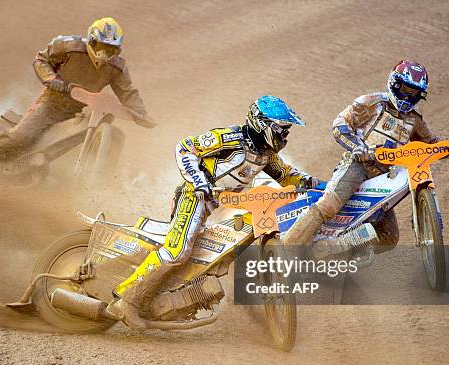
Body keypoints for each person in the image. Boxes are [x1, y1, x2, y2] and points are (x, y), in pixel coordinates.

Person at [108, 95, 318, 329]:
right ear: (262, 124)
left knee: (216, 254)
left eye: (286, 130)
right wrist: (198, 182)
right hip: (193, 197)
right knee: (177, 252)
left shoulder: (267, 155)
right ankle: (127, 300)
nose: (284, 135)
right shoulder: (230, 138)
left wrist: (320, 185)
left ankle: (173, 294)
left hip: (216, 205)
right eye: (281, 129)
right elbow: (185, 147)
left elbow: (287, 175)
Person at [283, 60, 449, 249]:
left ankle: (338, 248)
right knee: (329, 205)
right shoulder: (372, 103)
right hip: (357, 165)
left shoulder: (415, 119)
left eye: (413, 93)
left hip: (386, 177)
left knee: (389, 238)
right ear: (395, 84)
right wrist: (358, 147)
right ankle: (288, 248)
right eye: (405, 89)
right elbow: (340, 124)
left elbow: (430, 145)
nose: (407, 96)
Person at [0, 17, 154, 171]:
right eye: (101, 47)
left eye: (111, 49)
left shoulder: (117, 67)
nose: (104, 54)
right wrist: (52, 80)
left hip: (81, 113)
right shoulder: (69, 46)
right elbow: (41, 60)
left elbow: (128, 93)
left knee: (90, 146)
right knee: (22, 138)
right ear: (92, 41)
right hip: (51, 103)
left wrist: (141, 115)